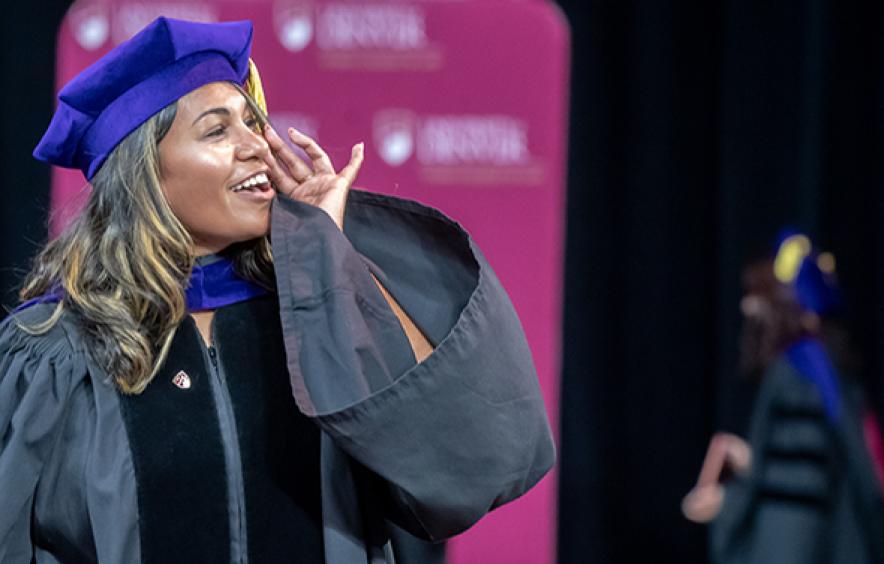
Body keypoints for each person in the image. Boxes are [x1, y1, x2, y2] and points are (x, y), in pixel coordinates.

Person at [0, 17, 555, 563]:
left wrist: (330, 252)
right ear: (144, 174)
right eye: (218, 131)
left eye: (252, 121)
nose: (258, 145)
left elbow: (468, 469)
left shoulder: (311, 318)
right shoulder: (54, 353)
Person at [683, 231, 884, 563]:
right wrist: (750, 460)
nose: (746, 306)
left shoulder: (792, 372)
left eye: (755, 295)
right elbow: (808, 464)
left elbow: (793, 492)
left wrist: (725, 502)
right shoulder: (831, 365)